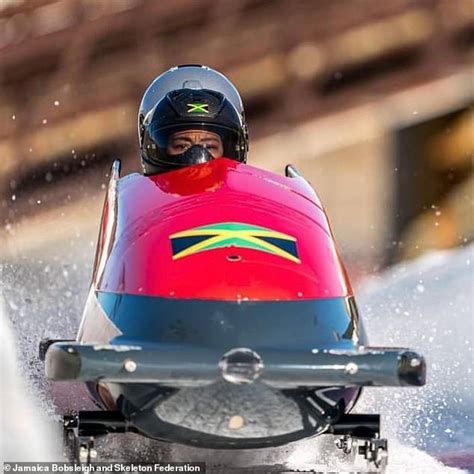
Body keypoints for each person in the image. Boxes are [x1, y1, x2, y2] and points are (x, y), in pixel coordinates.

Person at [138, 65, 249, 175]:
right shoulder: (138, 192)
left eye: (209, 146)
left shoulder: (252, 192)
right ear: (159, 150)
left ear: (229, 150)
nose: (197, 162)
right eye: (182, 146)